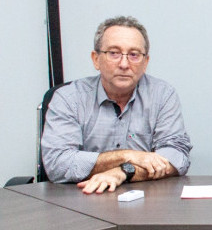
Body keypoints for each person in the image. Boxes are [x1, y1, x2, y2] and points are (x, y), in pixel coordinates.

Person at [41, 16, 192, 194]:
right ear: (96, 59)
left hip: (146, 200)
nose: (124, 64)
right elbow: (57, 164)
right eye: (114, 53)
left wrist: (123, 171)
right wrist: (127, 156)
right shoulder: (69, 98)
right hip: (81, 198)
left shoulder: (162, 95)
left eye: (134, 55)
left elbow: (177, 157)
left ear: (145, 63)